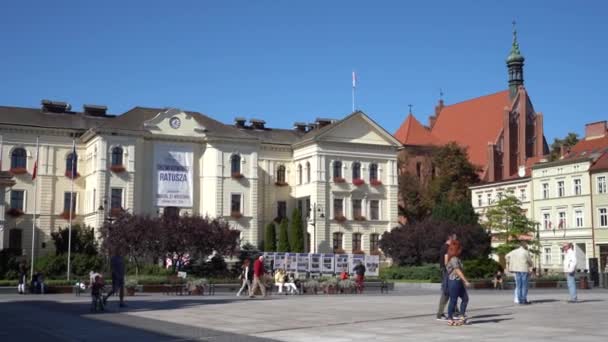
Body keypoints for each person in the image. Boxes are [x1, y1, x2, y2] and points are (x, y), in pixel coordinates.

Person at [445, 240, 471, 326]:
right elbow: (457, 270)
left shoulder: (456, 258)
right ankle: (450, 318)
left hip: (458, 282)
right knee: (453, 300)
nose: (461, 250)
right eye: (459, 248)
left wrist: (463, 282)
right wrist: (466, 281)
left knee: (465, 298)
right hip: (453, 281)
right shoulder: (453, 259)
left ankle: (462, 316)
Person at [437, 233, 457, 321]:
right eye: (455, 239)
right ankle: (440, 314)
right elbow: (446, 261)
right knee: (447, 292)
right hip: (447, 272)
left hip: (446, 271)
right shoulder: (446, 248)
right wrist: (450, 271)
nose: (456, 241)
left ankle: (454, 311)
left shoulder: (444, 247)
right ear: (450, 239)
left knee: (452, 291)